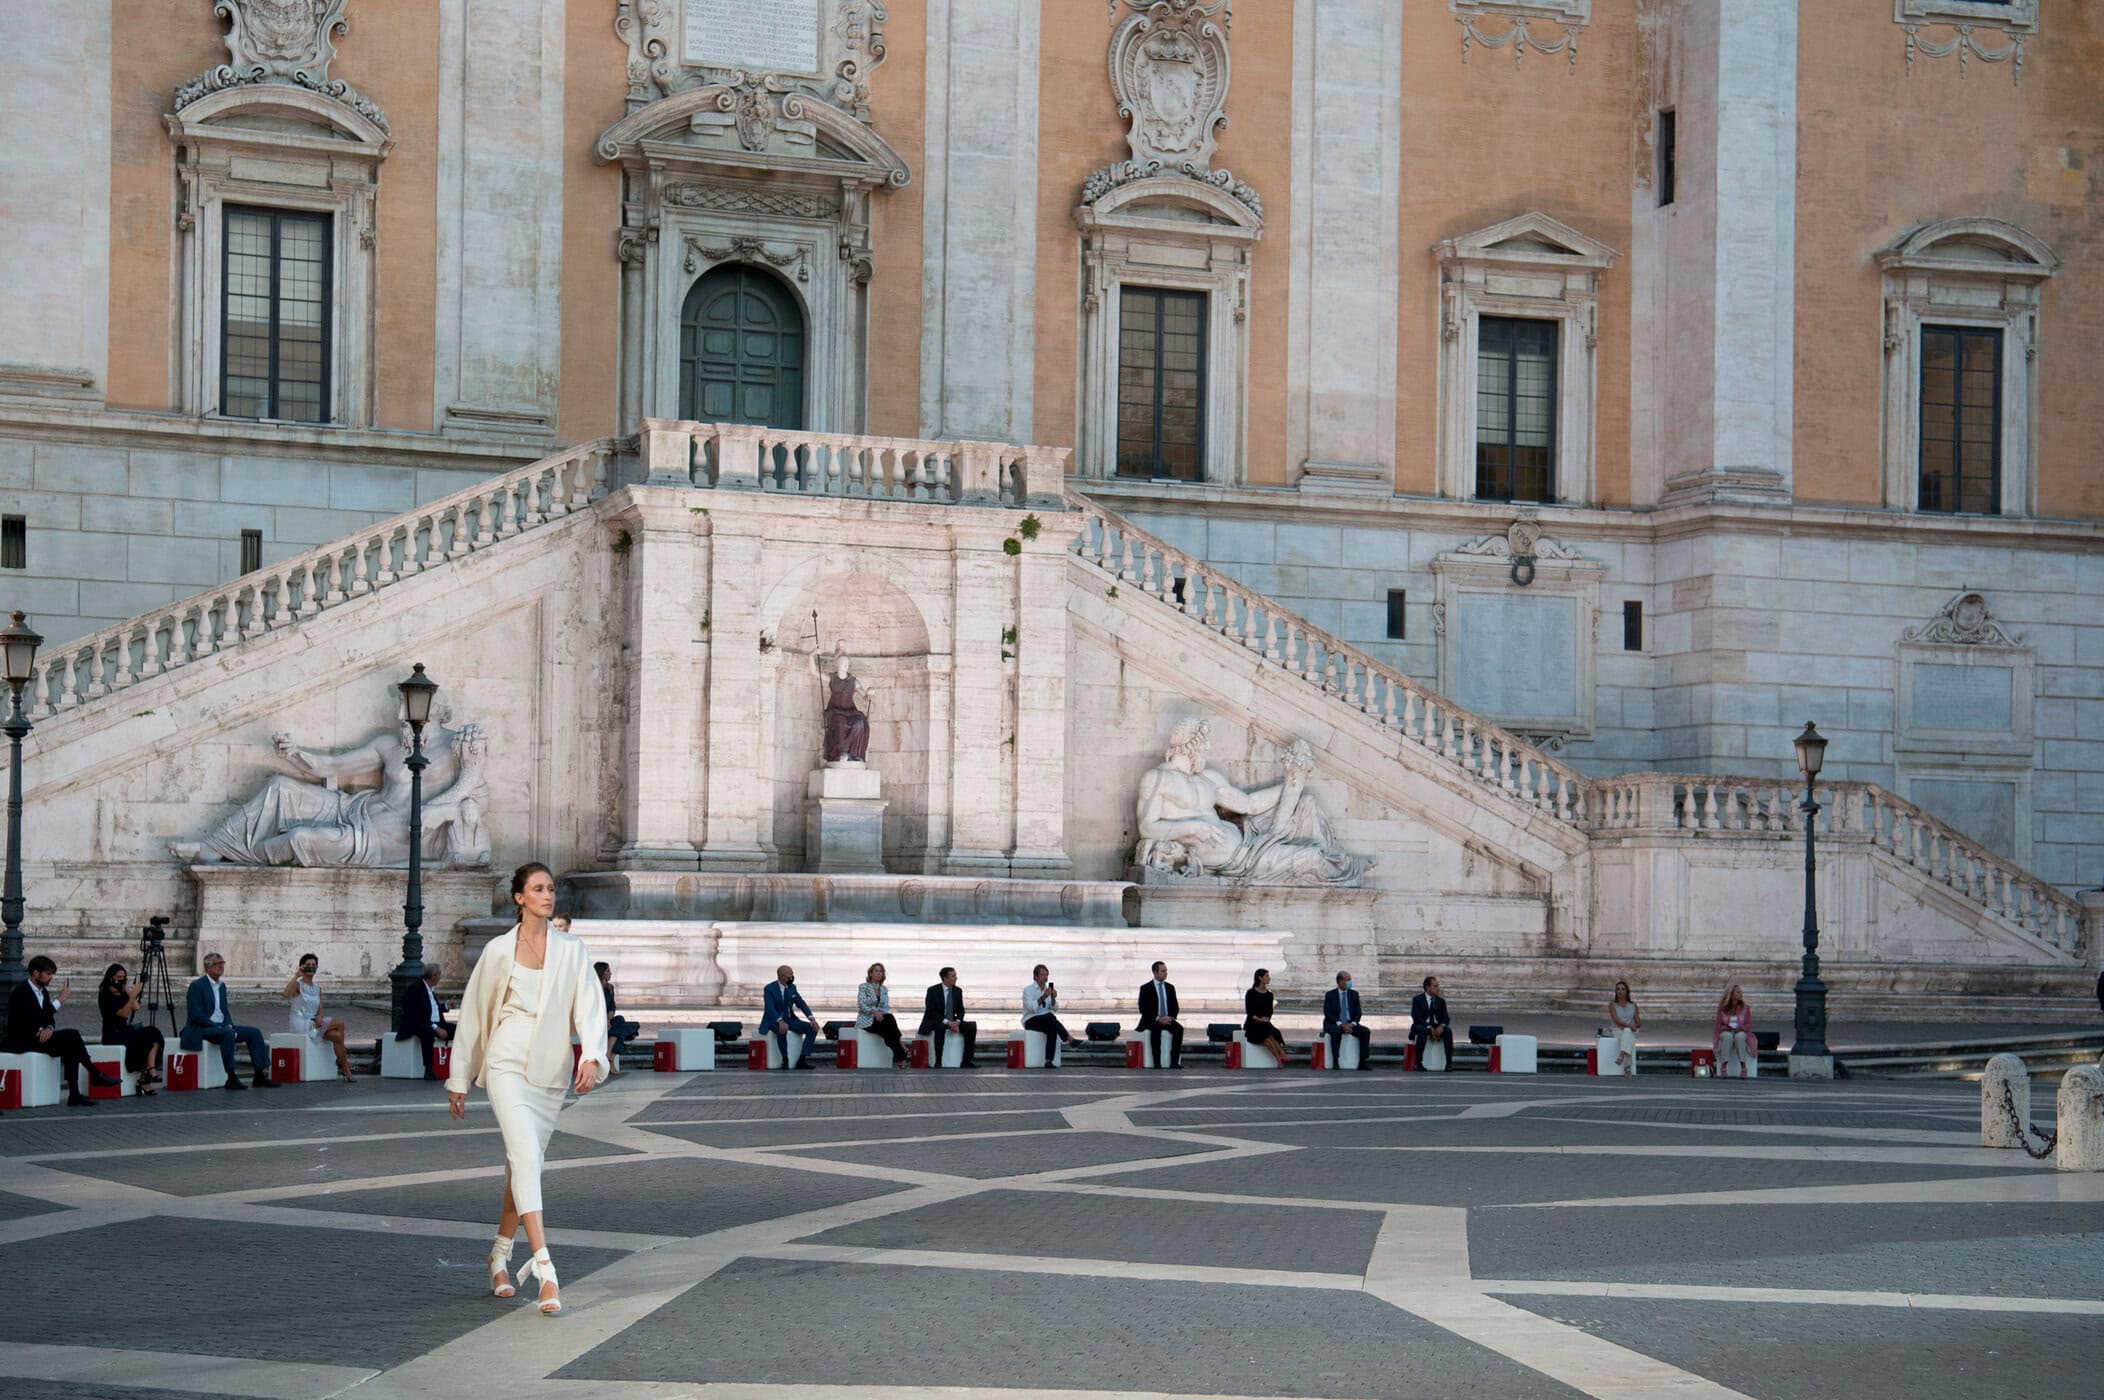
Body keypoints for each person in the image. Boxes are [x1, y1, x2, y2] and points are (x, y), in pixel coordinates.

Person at [447, 862, 608, 1316]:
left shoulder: (572, 949)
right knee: (524, 1156)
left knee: (524, 1162)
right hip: (505, 1062)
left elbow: (590, 1007)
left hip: (550, 1071)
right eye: (537, 889)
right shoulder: (499, 951)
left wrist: (592, 1055)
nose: (547, 895)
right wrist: (460, 1077)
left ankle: (499, 1255)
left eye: (550, 889)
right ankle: (545, 1266)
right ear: (519, 897)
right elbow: (476, 1016)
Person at [4, 957, 121, 1106]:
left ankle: (75, 1094)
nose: (51, 977)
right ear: (35, 973)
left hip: (41, 1038)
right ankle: (95, 1075)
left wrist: (49, 1028)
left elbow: (48, 1019)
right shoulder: (21, 992)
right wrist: (59, 1001)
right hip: (23, 1041)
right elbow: (35, 1016)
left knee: (71, 1043)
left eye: (52, 974)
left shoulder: (43, 993)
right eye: (48, 973)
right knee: (72, 1037)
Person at [181, 953, 277, 1090]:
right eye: (217, 964)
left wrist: (229, 1024)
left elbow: (224, 1011)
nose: (221, 966)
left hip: (221, 1026)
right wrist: (218, 1027)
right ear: (207, 967)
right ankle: (231, 1076)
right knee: (228, 1034)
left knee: (253, 1033)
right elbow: (196, 1014)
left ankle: (259, 1074)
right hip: (201, 1028)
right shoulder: (197, 986)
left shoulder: (222, 986)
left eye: (222, 963)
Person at [282, 953, 354, 1083]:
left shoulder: (317, 988)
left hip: (314, 1023)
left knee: (337, 1036)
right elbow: (286, 993)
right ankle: (344, 1066)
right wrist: (296, 975)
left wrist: (320, 1017)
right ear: (302, 967)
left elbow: (320, 1008)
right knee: (340, 1023)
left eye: (314, 965)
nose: (311, 967)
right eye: (308, 965)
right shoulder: (298, 985)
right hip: (300, 1023)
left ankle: (342, 1064)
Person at [96, 963, 164, 1093]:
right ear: (111, 978)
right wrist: (133, 995)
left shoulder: (122, 992)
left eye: (124, 977)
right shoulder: (105, 994)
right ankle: (146, 1077)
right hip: (113, 1034)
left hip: (125, 1030)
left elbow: (136, 1007)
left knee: (153, 1032)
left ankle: (149, 1071)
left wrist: (127, 991)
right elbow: (123, 1013)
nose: (121, 979)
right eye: (118, 976)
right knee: (144, 1041)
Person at [396, 966, 455, 1079]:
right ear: (433, 977)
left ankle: (452, 1065)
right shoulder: (416, 989)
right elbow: (417, 1015)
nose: (439, 979)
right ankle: (428, 1069)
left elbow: (432, 1010)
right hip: (417, 1023)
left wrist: (446, 1005)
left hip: (432, 1022)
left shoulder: (430, 990)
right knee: (428, 1033)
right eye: (439, 976)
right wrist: (435, 1028)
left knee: (457, 1030)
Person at [1021, 965, 1081, 1069]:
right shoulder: (1028, 990)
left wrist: (1052, 998)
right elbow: (1031, 1008)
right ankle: (1069, 1038)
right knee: (1050, 1016)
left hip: (1046, 1020)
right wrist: (1043, 997)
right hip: (1031, 1020)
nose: (1045, 977)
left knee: (1052, 1027)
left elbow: (1054, 1008)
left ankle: (1048, 1061)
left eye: (1046, 975)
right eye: (1042, 975)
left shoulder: (1048, 989)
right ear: (1035, 976)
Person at [760, 965, 818, 1070]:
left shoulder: (792, 988)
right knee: (782, 1029)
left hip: (790, 1019)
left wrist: (812, 1018)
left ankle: (802, 1059)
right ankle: (785, 1058)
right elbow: (770, 1008)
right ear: (782, 977)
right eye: (789, 975)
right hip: (774, 1020)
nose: (792, 977)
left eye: (792, 975)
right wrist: (780, 1020)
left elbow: (801, 1004)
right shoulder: (769, 989)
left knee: (812, 1028)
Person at [919, 966, 977, 1068]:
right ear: (945, 978)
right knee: (940, 1027)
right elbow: (931, 1011)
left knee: (971, 1026)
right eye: (953, 976)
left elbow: (961, 1010)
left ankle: (967, 1061)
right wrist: (947, 1022)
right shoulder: (932, 990)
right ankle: (938, 1061)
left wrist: (957, 1022)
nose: (956, 978)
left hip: (952, 1021)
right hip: (936, 1020)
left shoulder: (958, 991)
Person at [855, 962, 911, 1068]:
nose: (879, 973)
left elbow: (886, 1006)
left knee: (887, 1032)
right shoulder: (863, 987)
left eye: (881, 971)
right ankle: (901, 1048)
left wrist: (880, 1014)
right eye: (876, 970)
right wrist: (874, 1012)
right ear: (870, 973)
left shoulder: (884, 989)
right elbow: (861, 1004)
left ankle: (901, 1058)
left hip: (881, 1019)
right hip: (867, 1020)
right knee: (889, 1021)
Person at [1137, 960, 1184, 1069]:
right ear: (1155, 972)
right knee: (1156, 1028)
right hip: (1151, 1019)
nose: (1165, 973)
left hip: (1167, 1019)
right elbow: (1143, 1008)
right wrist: (1158, 1018)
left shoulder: (1170, 987)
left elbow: (1175, 1007)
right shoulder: (1145, 988)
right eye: (1163, 971)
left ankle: (1174, 1062)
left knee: (1179, 1029)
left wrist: (1170, 1017)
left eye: (1166, 970)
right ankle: (1157, 1062)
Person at [1322, 970, 1371, 1071]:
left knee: (1365, 1031)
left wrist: (1352, 1024)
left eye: (1350, 980)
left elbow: (1358, 1012)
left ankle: (1363, 1061)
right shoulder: (1330, 995)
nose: (1349, 982)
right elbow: (1328, 1013)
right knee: (1335, 1032)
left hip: (1350, 1022)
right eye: (1347, 980)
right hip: (1335, 1022)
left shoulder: (1354, 994)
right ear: (1340, 981)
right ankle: (1335, 1060)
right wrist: (1341, 1024)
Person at [596, 962, 640, 1073]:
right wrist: (604, 1020)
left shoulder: (609, 989)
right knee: (621, 1027)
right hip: (596, 1020)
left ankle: (610, 1053)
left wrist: (609, 1019)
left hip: (607, 1021)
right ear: (601, 973)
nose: (610, 973)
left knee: (622, 1021)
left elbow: (612, 1007)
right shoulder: (593, 988)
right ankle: (611, 1058)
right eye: (608, 971)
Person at [1242, 969, 1289, 1067]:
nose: (1269, 978)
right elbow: (1249, 1010)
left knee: (1267, 1035)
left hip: (1264, 1023)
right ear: (1260, 978)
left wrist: (1266, 1018)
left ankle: (1279, 1059)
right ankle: (1281, 1055)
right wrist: (1257, 1018)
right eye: (1267, 976)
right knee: (1266, 1034)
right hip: (1252, 1023)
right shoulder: (1251, 993)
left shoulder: (1269, 995)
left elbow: (1269, 1011)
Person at [1408, 975, 1453, 1072]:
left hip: (1437, 1025)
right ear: (1427, 987)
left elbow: (1446, 1017)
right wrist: (1429, 1026)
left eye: (1438, 986)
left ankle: (1449, 1063)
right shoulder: (1417, 999)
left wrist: (1442, 1025)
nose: (1438, 988)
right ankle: (1418, 1062)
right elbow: (1416, 1017)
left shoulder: (1441, 1001)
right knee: (1423, 1031)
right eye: (1435, 986)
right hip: (1422, 1024)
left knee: (1448, 1031)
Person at [1714, 984, 1755, 1079]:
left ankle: (1743, 1066)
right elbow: (1718, 1025)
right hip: (1726, 1031)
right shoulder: (1722, 1008)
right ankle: (1724, 1066)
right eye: (1738, 992)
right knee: (1727, 1036)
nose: (1741, 994)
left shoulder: (1745, 1008)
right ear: (1731, 994)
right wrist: (1725, 1028)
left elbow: (1748, 1025)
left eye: (1741, 992)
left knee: (1740, 1036)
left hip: (1740, 1031)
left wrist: (1741, 1028)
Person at [1608, 980, 1642, 1076]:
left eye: (1622, 989)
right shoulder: (1612, 1005)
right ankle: (1627, 1067)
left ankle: (1621, 1055)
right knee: (1626, 1034)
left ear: (1627, 991)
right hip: (1617, 1029)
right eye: (1618, 989)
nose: (1620, 991)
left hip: (1631, 1030)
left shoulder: (1633, 1005)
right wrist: (1630, 1026)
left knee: (1627, 1033)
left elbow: (1638, 1022)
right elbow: (1617, 1021)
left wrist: (1635, 1026)